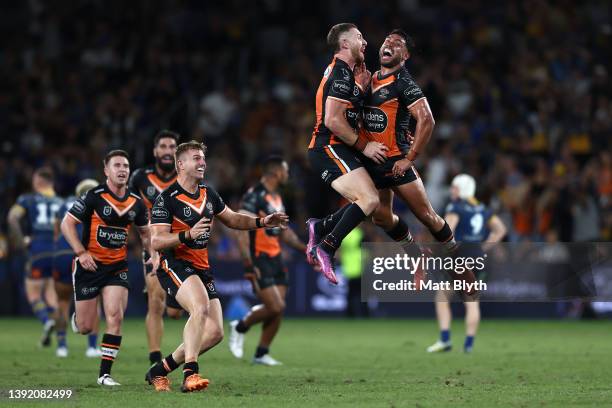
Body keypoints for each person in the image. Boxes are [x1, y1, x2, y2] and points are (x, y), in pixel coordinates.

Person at [145, 141, 288, 392]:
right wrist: (186, 235)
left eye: (203, 158)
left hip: (201, 267)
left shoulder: (208, 194)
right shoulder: (166, 199)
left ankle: (159, 371)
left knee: (215, 333)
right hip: (174, 263)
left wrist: (263, 221)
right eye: (196, 159)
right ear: (180, 164)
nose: (202, 163)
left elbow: (233, 219)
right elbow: (156, 240)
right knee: (199, 307)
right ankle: (191, 374)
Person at [357, 29, 477, 293]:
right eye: (387, 41)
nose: (389, 44)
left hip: (396, 161)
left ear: (406, 55)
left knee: (427, 216)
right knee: (382, 218)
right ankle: (416, 255)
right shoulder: (369, 79)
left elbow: (427, 119)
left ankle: (461, 267)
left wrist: (410, 158)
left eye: (397, 44)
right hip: (373, 161)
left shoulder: (404, 83)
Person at [61, 150, 153, 386]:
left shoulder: (136, 202)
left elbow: (145, 233)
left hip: (116, 267)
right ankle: (79, 319)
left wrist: (152, 254)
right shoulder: (93, 196)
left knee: (115, 316)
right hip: (89, 267)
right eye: (117, 165)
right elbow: (67, 224)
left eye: (126, 165)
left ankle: (104, 374)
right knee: (86, 327)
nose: (122, 169)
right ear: (106, 170)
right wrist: (81, 253)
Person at [306, 22, 389, 285]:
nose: (365, 42)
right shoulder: (340, 73)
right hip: (328, 146)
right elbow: (332, 120)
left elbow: (349, 112)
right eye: (359, 37)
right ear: (344, 44)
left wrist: (361, 90)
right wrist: (365, 146)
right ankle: (326, 246)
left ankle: (319, 228)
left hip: (337, 148)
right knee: (368, 199)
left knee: (370, 199)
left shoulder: (345, 74)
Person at [228, 156, 309, 366]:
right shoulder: (254, 196)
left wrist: (305, 249)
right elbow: (241, 231)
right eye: (286, 171)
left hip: (275, 257)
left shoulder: (277, 197)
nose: (288, 175)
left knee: (278, 308)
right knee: (275, 305)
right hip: (258, 257)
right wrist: (248, 263)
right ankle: (240, 326)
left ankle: (261, 353)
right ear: (276, 173)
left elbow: (284, 232)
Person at [427, 174, 506, 353]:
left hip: (460, 256)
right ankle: (469, 345)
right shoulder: (482, 208)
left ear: (462, 188)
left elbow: (447, 230)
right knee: (472, 302)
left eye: (455, 187)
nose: (452, 191)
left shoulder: (455, 207)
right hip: (477, 256)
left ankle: (445, 339)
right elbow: (500, 230)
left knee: (441, 297)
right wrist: (483, 248)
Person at [129, 129, 182, 366]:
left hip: (180, 246)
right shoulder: (140, 177)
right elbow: (128, 208)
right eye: (163, 146)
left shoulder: (186, 176)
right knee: (155, 300)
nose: (168, 151)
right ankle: (155, 358)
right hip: (153, 246)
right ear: (155, 151)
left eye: (172, 147)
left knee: (174, 312)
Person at [7, 167, 63, 347]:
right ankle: (61, 342)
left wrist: (21, 240)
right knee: (52, 295)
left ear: (38, 181)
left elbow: (12, 218)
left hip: (38, 249)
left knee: (33, 294)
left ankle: (46, 321)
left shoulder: (27, 199)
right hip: (58, 251)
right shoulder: (61, 202)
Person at [53, 178, 101, 358]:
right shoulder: (99, 205)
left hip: (62, 255)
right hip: (85, 255)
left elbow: (57, 233)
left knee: (62, 302)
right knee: (94, 302)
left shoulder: (62, 206)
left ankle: (62, 346)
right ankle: (91, 347)